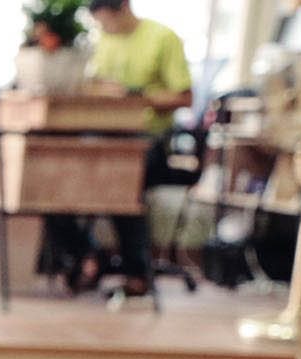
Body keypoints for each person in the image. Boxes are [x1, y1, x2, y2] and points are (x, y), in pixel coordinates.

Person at [45, 0, 192, 295]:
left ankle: (138, 272)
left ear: (124, 7)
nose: (105, 28)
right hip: (104, 135)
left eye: (107, 20)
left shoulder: (162, 38)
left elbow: (184, 96)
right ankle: (87, 254)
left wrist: (134, 95)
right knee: (52, 174)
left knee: (122, 178)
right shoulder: (102, 42)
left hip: (151, 140)